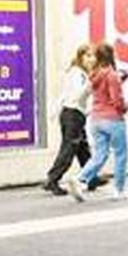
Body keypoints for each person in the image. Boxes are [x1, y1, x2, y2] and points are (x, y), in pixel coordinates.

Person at [69, 42, 128, 200]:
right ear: (110, 56)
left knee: (100, 154)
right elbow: (116, 100)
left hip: (95, 120)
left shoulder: (94, 74)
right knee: (120, 154)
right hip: (113, 120)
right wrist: (125, 108)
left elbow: (101, 92)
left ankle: (80, 179)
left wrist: (119, 81)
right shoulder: (111, 74)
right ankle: (119, 189)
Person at [42, 44, 95, 195]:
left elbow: (64, 94)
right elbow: (76, 95)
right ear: (80, 57)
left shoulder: (78, 73)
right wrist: (90, 86)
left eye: (93, 56)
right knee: (69, 149)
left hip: (74, 114)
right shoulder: (78, 74)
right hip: (73, 114)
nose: (91, 59)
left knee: (82, 148)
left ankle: (91, 177)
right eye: (87, 56)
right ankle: (52, 179)